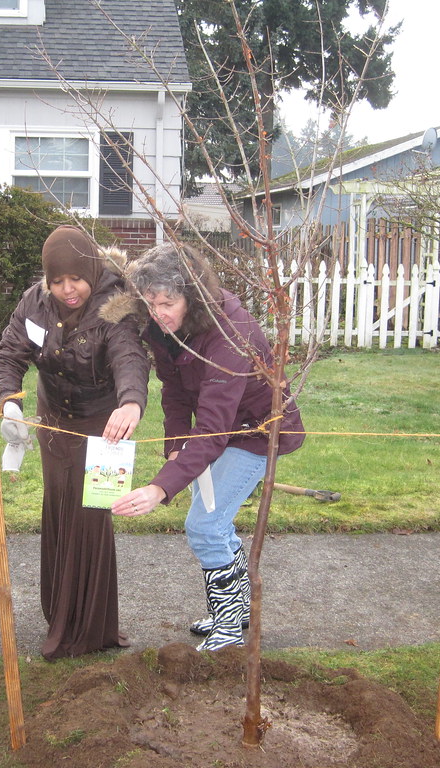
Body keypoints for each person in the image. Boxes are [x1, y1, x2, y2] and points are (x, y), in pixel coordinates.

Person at [110, 242, 305, 651]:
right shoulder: (164, 329)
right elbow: (176, 392)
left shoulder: (231, 335)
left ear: (192, 297)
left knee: (205, 526)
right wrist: (176, 446)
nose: (158, 313)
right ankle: (236, 609)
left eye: (167, 302)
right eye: (149, 303)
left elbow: (215, 428)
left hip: (256, 432)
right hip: (218, 429)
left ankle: (229, 631)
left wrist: (160, 488)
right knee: (214, 525)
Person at [0, 224, 149, 660]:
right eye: (57, 281)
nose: (67, 290)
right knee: (60, 507)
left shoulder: (115, 307)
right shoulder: (34, 302)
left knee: (92, 515)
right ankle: (60, 613)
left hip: (106, 425)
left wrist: (131, 403)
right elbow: (9, 355)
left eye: (75, 279)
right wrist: (9, 402)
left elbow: (129, 358)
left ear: (92, 271)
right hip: (56, 421)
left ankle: (90, 629)